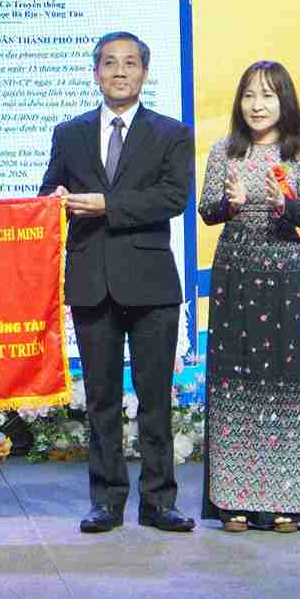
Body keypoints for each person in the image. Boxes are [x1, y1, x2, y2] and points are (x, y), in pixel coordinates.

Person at [39, 31, 195, 533]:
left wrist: (108, 205)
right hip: (91, 281)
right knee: (101, 400)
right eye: (110, 63)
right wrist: (55, 199)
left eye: (130, 63)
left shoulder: (170, 132)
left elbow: (173, 198)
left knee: (155, 399)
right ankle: (106, 500)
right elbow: (47, 194)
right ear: (96, 73)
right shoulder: (69, 133)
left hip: (151, 284)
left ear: (144, 73)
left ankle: (159, 501)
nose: (120, 72)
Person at [197, 60, 300, 530]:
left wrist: (285, 205)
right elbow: (206, 210)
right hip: (234, 273)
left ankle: (285, 502)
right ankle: (233, 500)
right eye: (249, 95)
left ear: (284, 101)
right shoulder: (224, 151)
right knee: (235, 379)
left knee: (284, 381)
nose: (257, 105)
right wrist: (229, 204)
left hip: (283, 277)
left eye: (267, 95)